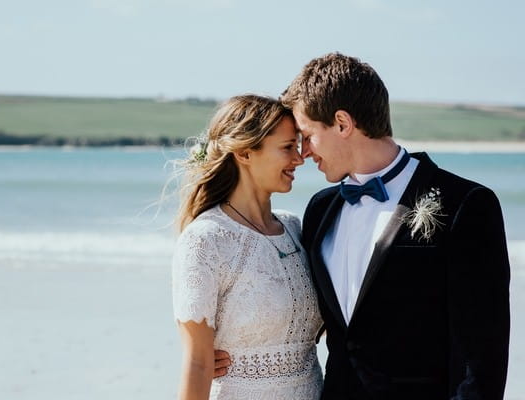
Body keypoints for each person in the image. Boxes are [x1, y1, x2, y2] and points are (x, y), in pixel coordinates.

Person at [215, 53, 511, 399]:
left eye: (308, 136)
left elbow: (481, 360)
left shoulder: (466, 204)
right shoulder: (320, 210)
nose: (304, 153)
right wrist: (229, 350)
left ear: (342, 124)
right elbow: (299, 311)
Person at [172, 94, 324, 399]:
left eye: (297, 146)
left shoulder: (295, 229)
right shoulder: (206, 239)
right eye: (287, 148)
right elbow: (199, 364)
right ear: (244, 153)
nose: (299, 158)